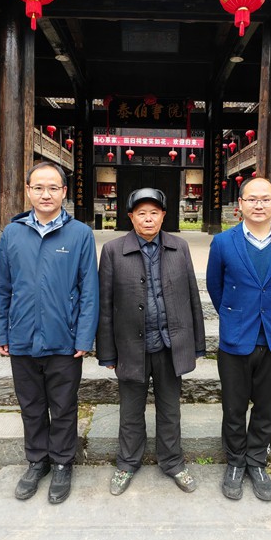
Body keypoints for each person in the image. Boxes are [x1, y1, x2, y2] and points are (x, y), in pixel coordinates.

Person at [0, 161, 98, 504]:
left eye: (53, 188)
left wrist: (84, 337)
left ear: (64, 192)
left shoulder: (80, 234)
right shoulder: (12, 234)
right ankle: (37, 460)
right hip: (22, 336)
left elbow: (89, 291)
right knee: (31, 405)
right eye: (38, 187)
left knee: (63, 406)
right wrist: (0, 332)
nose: (46, 194)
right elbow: (2, 288)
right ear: (28, 191)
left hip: (64, 338)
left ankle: (63, 462)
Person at [96, 187, 206, 496]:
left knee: (170, 410)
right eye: (141, 213)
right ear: (131, 217)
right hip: (131, 347)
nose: (148, 219)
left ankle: (173, 462)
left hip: (171, 345)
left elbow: (192, 296)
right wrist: (107, 352)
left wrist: (196, 344)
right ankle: (127, 463)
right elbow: (105, 305)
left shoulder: (179, 247)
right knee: (130, 411)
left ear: (163, 216)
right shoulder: (113, 251)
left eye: (154, 213)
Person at [206, 176, 271, 502]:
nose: (258, 205)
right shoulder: (223, 243)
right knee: (233, 406)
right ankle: (235, 462)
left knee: (266, 406)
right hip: (236, 337)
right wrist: (235, 315)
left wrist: (270, 313)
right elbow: (215, 287)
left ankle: (257, 461)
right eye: (252, 199)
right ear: (240, 204)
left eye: (265, 199)